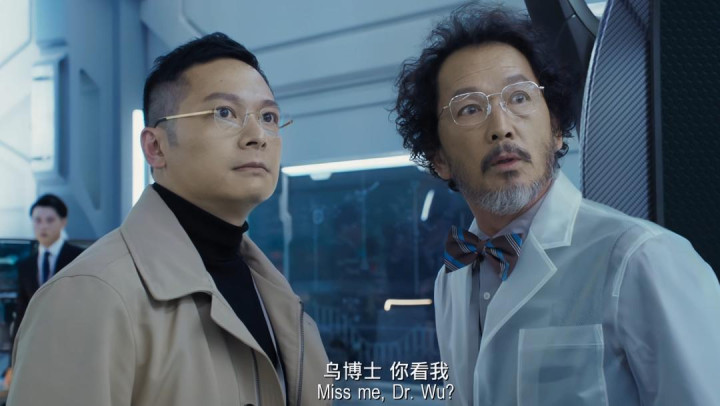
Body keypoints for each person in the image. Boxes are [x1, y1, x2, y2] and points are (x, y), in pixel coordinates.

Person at [393, 4, 720, 405]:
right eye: (470, 109)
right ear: (439, 158)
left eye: (519, 97)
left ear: (557, 129)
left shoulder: (641, 260)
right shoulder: (452, 279)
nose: (501, 127)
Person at [8, 33, 330, 406]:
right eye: (224, 112)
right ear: (156, 146)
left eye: (268, 117)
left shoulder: (277, 296)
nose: (258, 136)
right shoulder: (89, 296)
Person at [4, 194, 84, 388]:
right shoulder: (26, 265)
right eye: (38, 220)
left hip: (71, 347)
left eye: (49, 220)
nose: (43, 226)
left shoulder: (79, 257)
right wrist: (13, 362)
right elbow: (21, 314)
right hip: (36, 348)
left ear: (63, 222)